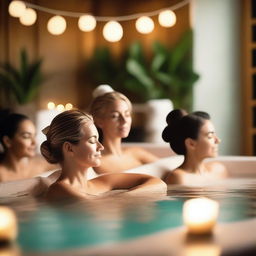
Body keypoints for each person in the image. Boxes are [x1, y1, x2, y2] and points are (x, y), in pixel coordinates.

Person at [40, 109, 166, 200]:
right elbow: (97, 212)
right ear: (69, 148)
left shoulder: (101, 182)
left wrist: (125, 196)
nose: (101, 147)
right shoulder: (59, 190)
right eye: (92, 141)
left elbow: (159, 184)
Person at [89, 84, 158, 174]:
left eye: (127, 114)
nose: (124, 121)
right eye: (115, 116)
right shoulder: (98, 162)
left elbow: (169, 169)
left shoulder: (137, 153)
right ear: (99, 121)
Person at [162, 109, 228, 185]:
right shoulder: (179, 178)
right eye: (210, 136)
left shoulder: (219, 170)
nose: (218, 140)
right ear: (191, 144)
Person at [0, 109, 58, 182]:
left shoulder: (45, 164)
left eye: (34, 136)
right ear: (7, 141)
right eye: (27, 136)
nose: (34, 142)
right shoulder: (1, 176)